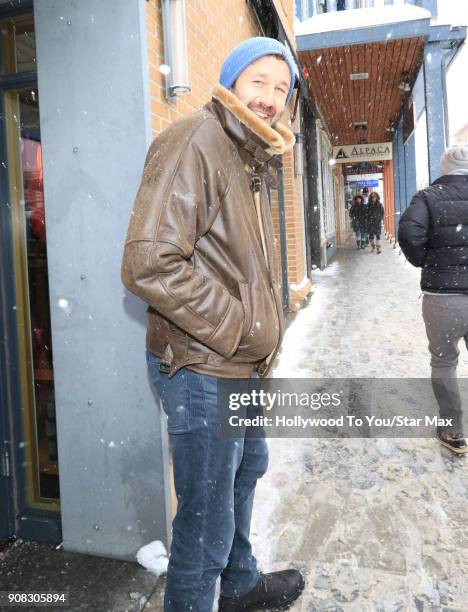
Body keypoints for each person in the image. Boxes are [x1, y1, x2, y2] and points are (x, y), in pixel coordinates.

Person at [121, 37, 305, 611]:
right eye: (259, 82)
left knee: (246, 469)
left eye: (281, 89)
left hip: (237, 364)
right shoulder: (197, 140)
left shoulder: (248, 153)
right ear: (231, 81)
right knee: (206, 523)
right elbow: (149, 260)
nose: (270, 98)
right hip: (204, 367)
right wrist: (239, 327)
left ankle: (241, 585)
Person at [398, 144, 468, 455]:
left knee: (443, 361)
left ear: (443, 170)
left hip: (443, 297)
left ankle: (453, 430)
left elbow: (409, 233)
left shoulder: (428, 197)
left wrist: (428, 261)